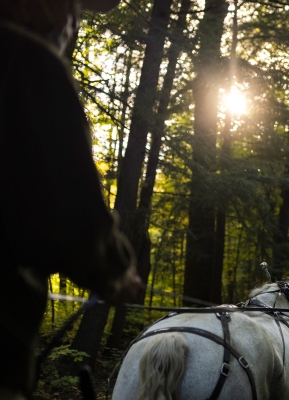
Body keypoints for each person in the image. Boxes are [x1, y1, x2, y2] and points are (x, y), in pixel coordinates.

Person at [0, 0, 141, 398]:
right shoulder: (25, 62)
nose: (73, 23)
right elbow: (73, 217)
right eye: (72, 6)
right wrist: (116, 271)